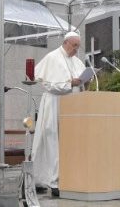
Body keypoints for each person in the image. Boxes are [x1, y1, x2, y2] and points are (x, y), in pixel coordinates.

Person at [30, 31, 88, 197]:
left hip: (72, 106)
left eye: (78, 46)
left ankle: (68, 178)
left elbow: (80, 81)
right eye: (75, 45)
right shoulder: (52, 58)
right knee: (52, 142)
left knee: (68, 143)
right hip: (54, 103)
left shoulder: (76, 61)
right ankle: (51, 181)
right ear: (66, 43)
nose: (77, 49)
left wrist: (85, 80)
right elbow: (51, 85)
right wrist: (71, 82)